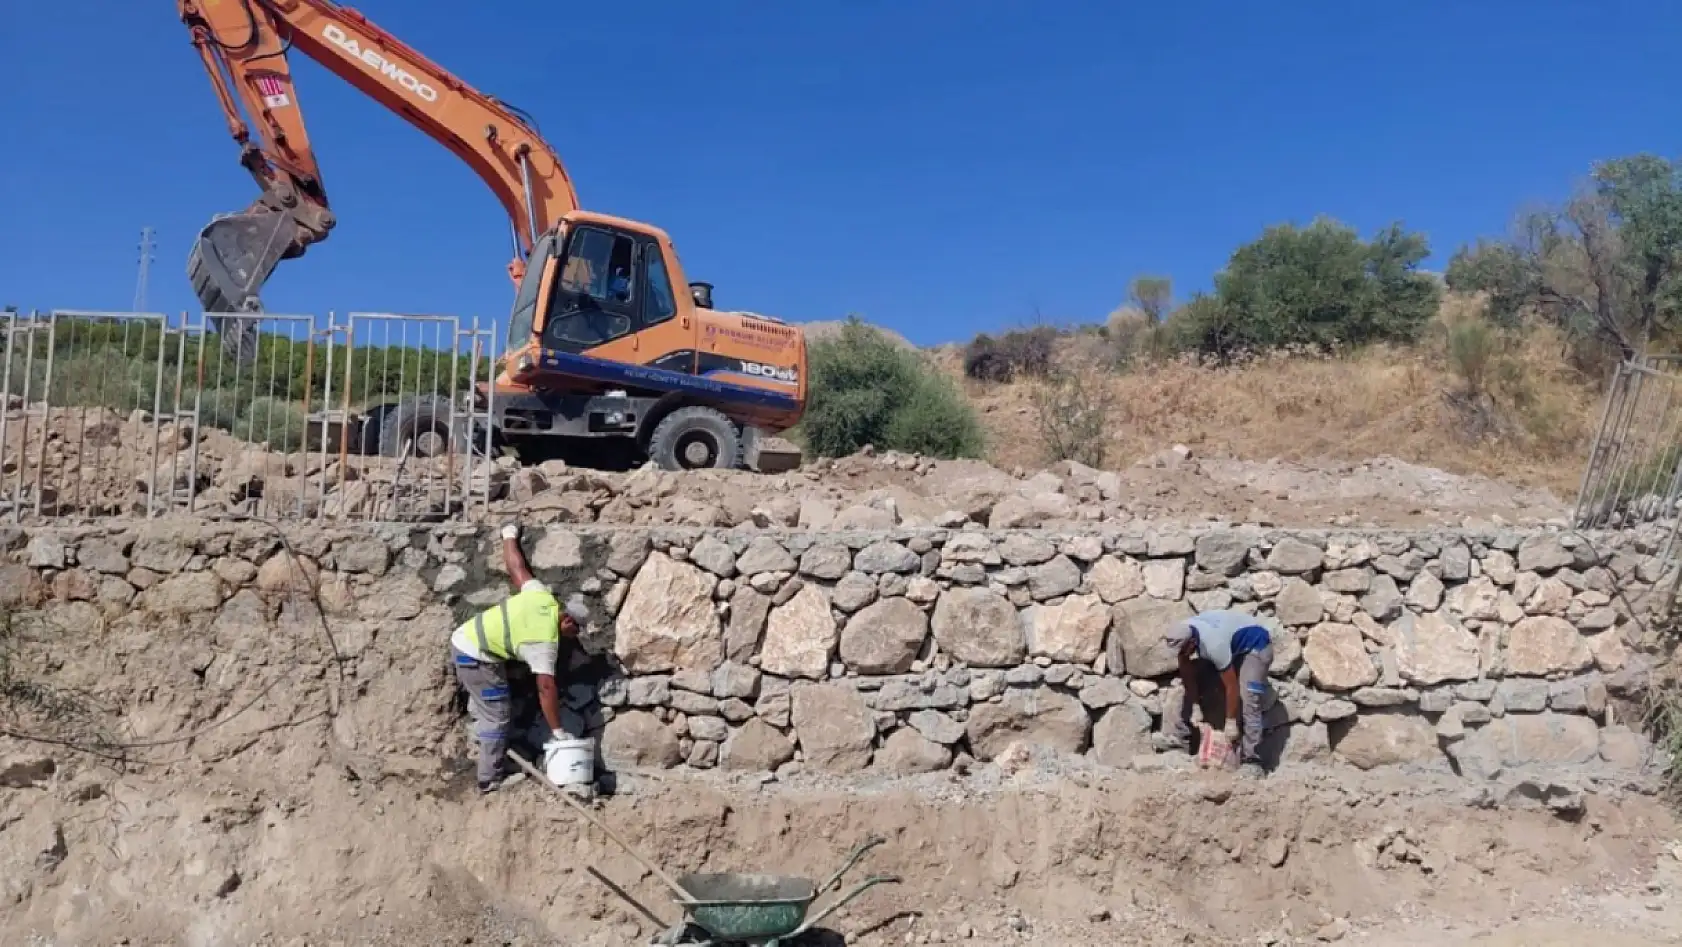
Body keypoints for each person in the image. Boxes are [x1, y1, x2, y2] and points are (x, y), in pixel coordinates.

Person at [450, 522, 588, 794]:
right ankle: (489, 779)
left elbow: (518, 570)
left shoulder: (542, 596)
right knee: (498, 716)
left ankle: (483, 720)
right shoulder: (543, 642)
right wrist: (558, 732)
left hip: (471, 640)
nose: (574, 636)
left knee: (493, 703)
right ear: (568, 620)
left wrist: (509, 535)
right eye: (575, 630)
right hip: (473, 655)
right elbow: (546, 687)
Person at [1162, 610, 1275, 776]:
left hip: (1255, 644)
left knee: (1249, 697)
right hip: (1231, 645)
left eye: (1182, 651)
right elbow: (1187, 674)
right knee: (1194, 683)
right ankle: (1180, 744)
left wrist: (1230, 722)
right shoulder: (1183, 633)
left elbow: (1232, 686)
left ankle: (1253, 759)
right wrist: (1195, 705)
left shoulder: (1214, 645)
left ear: (1192, 643)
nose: (1180, 655)